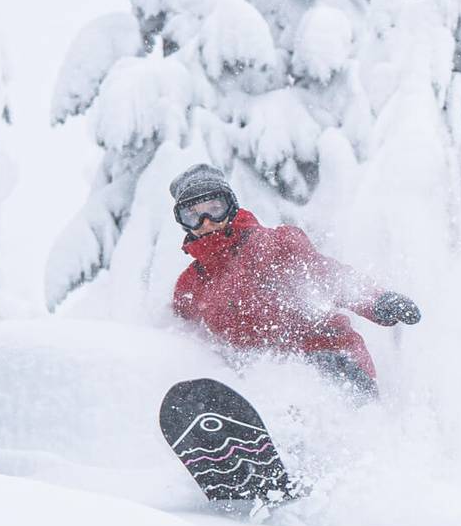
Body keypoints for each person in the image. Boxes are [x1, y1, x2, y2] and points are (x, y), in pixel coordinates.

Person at [167, 163, 418, 401]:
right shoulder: (191, 285)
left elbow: (328, 276)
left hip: (332, 359)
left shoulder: (275, 244)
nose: (206, 221)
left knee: (308, 381)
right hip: (262, 387)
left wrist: (377, 301)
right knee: (262, 388)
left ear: (230, 206)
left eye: (214, 207)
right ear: (183, 223)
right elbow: (187, 339)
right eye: (193, 215)